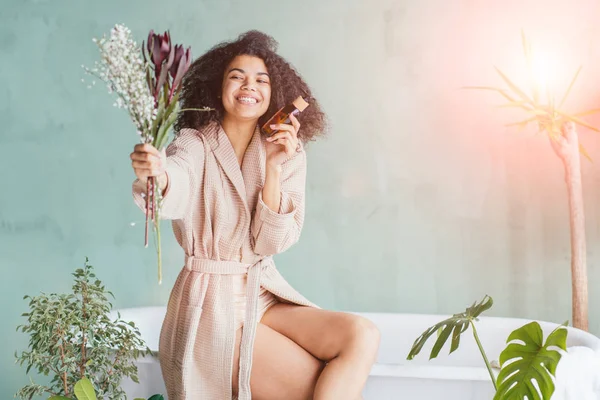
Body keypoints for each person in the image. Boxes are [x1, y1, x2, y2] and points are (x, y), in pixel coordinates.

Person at [130, 30, 380, 400]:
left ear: (274, 94)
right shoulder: (194, 142)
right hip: (210, 304)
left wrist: (274, 169)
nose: (249, 86)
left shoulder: (287, 152)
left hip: (258, 292)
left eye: (261, 79)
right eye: (237, 76)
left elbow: (270, 242)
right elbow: (175, 178)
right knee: (320, 388)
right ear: (218, 88)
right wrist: (157, 173)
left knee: (362, 334)